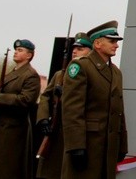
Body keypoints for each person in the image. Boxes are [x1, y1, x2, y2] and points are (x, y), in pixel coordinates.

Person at [62, 21, 127, 179]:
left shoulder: (116, 73)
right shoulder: (81, 67)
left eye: (116, 42)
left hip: (108, 148)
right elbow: (72, 110)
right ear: (97, 43)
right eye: (112, 41)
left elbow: (118, 111)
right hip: (88, 146)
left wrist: (122, 145)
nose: (116, 45)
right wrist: (76, 146)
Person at [0, 39, 41, 178]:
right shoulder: (8, 75)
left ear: (29, 55)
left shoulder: (31, 75)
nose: (16, 52)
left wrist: (0, 98)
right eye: (16, 50)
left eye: (20, 50)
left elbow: (26, 100)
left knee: (7, 170)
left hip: (14, 130)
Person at [35, 32, 92, 179]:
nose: (75, 51)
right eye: (74, 48)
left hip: (75, 132)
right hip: (55, 128)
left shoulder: (92, 74)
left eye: (81, 48)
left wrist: (65, 92)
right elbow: (45, 96)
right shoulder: (60, 75)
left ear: (90, 51)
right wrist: (43, 119)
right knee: (49, 171)